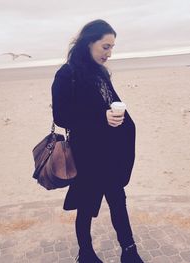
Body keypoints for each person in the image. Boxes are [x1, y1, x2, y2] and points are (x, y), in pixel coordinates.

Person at [51, 19, 144, 263]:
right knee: (86, 206)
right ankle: (86, 253)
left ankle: (129, 251)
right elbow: (61, 116)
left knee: (118, 201)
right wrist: (99, 117)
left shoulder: (101, 74)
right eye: (105, 47)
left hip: (110, 152)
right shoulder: (67, 73)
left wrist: (120, 121)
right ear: (88, 43)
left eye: (112, 47)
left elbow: (112, 104)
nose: (109, 53)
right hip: (86, 155)